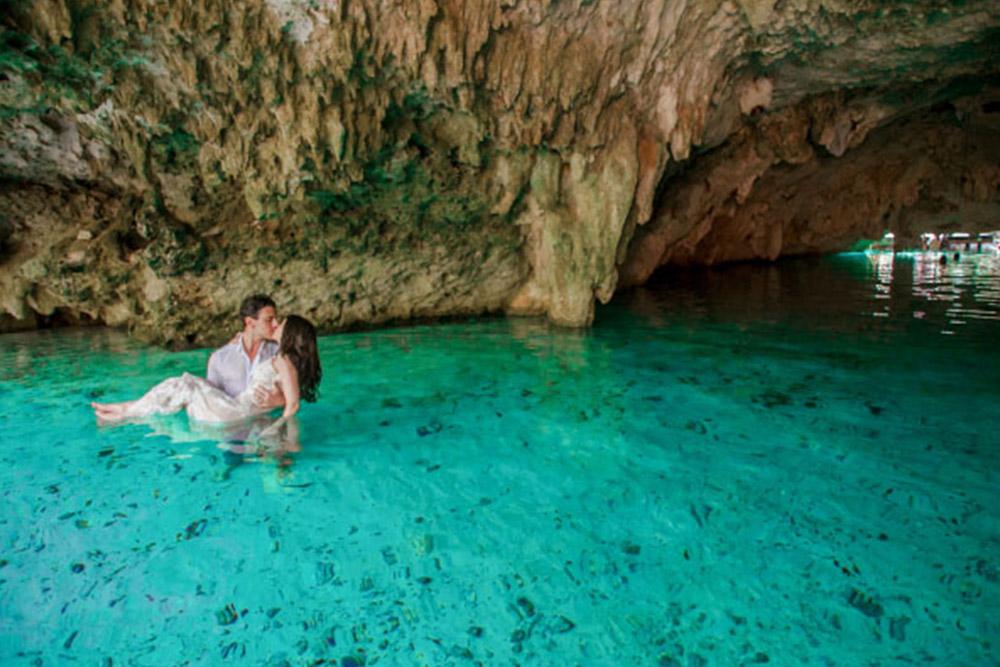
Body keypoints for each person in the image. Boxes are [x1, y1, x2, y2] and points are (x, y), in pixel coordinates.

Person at [91, 315, 322, 425]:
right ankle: (128, 409)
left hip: (235, 413)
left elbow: (293, 405)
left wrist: (279, 430)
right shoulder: (284, 359)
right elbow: (290, 395)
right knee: (183, 385)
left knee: (183, 384)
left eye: (280, 324)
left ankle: (126, 411)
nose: (275, 325)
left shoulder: (283, 360)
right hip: (236, 408)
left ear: (290, 333)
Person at [208, 294, 284, 409]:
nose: (276, 324)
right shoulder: (219, 358)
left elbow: (296, 394)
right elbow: (211, 402)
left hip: (271, 418)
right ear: (250, 322)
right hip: (233, 419)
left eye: (275, 319)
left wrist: (281, 401)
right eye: (269, 320)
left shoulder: (279, 352)